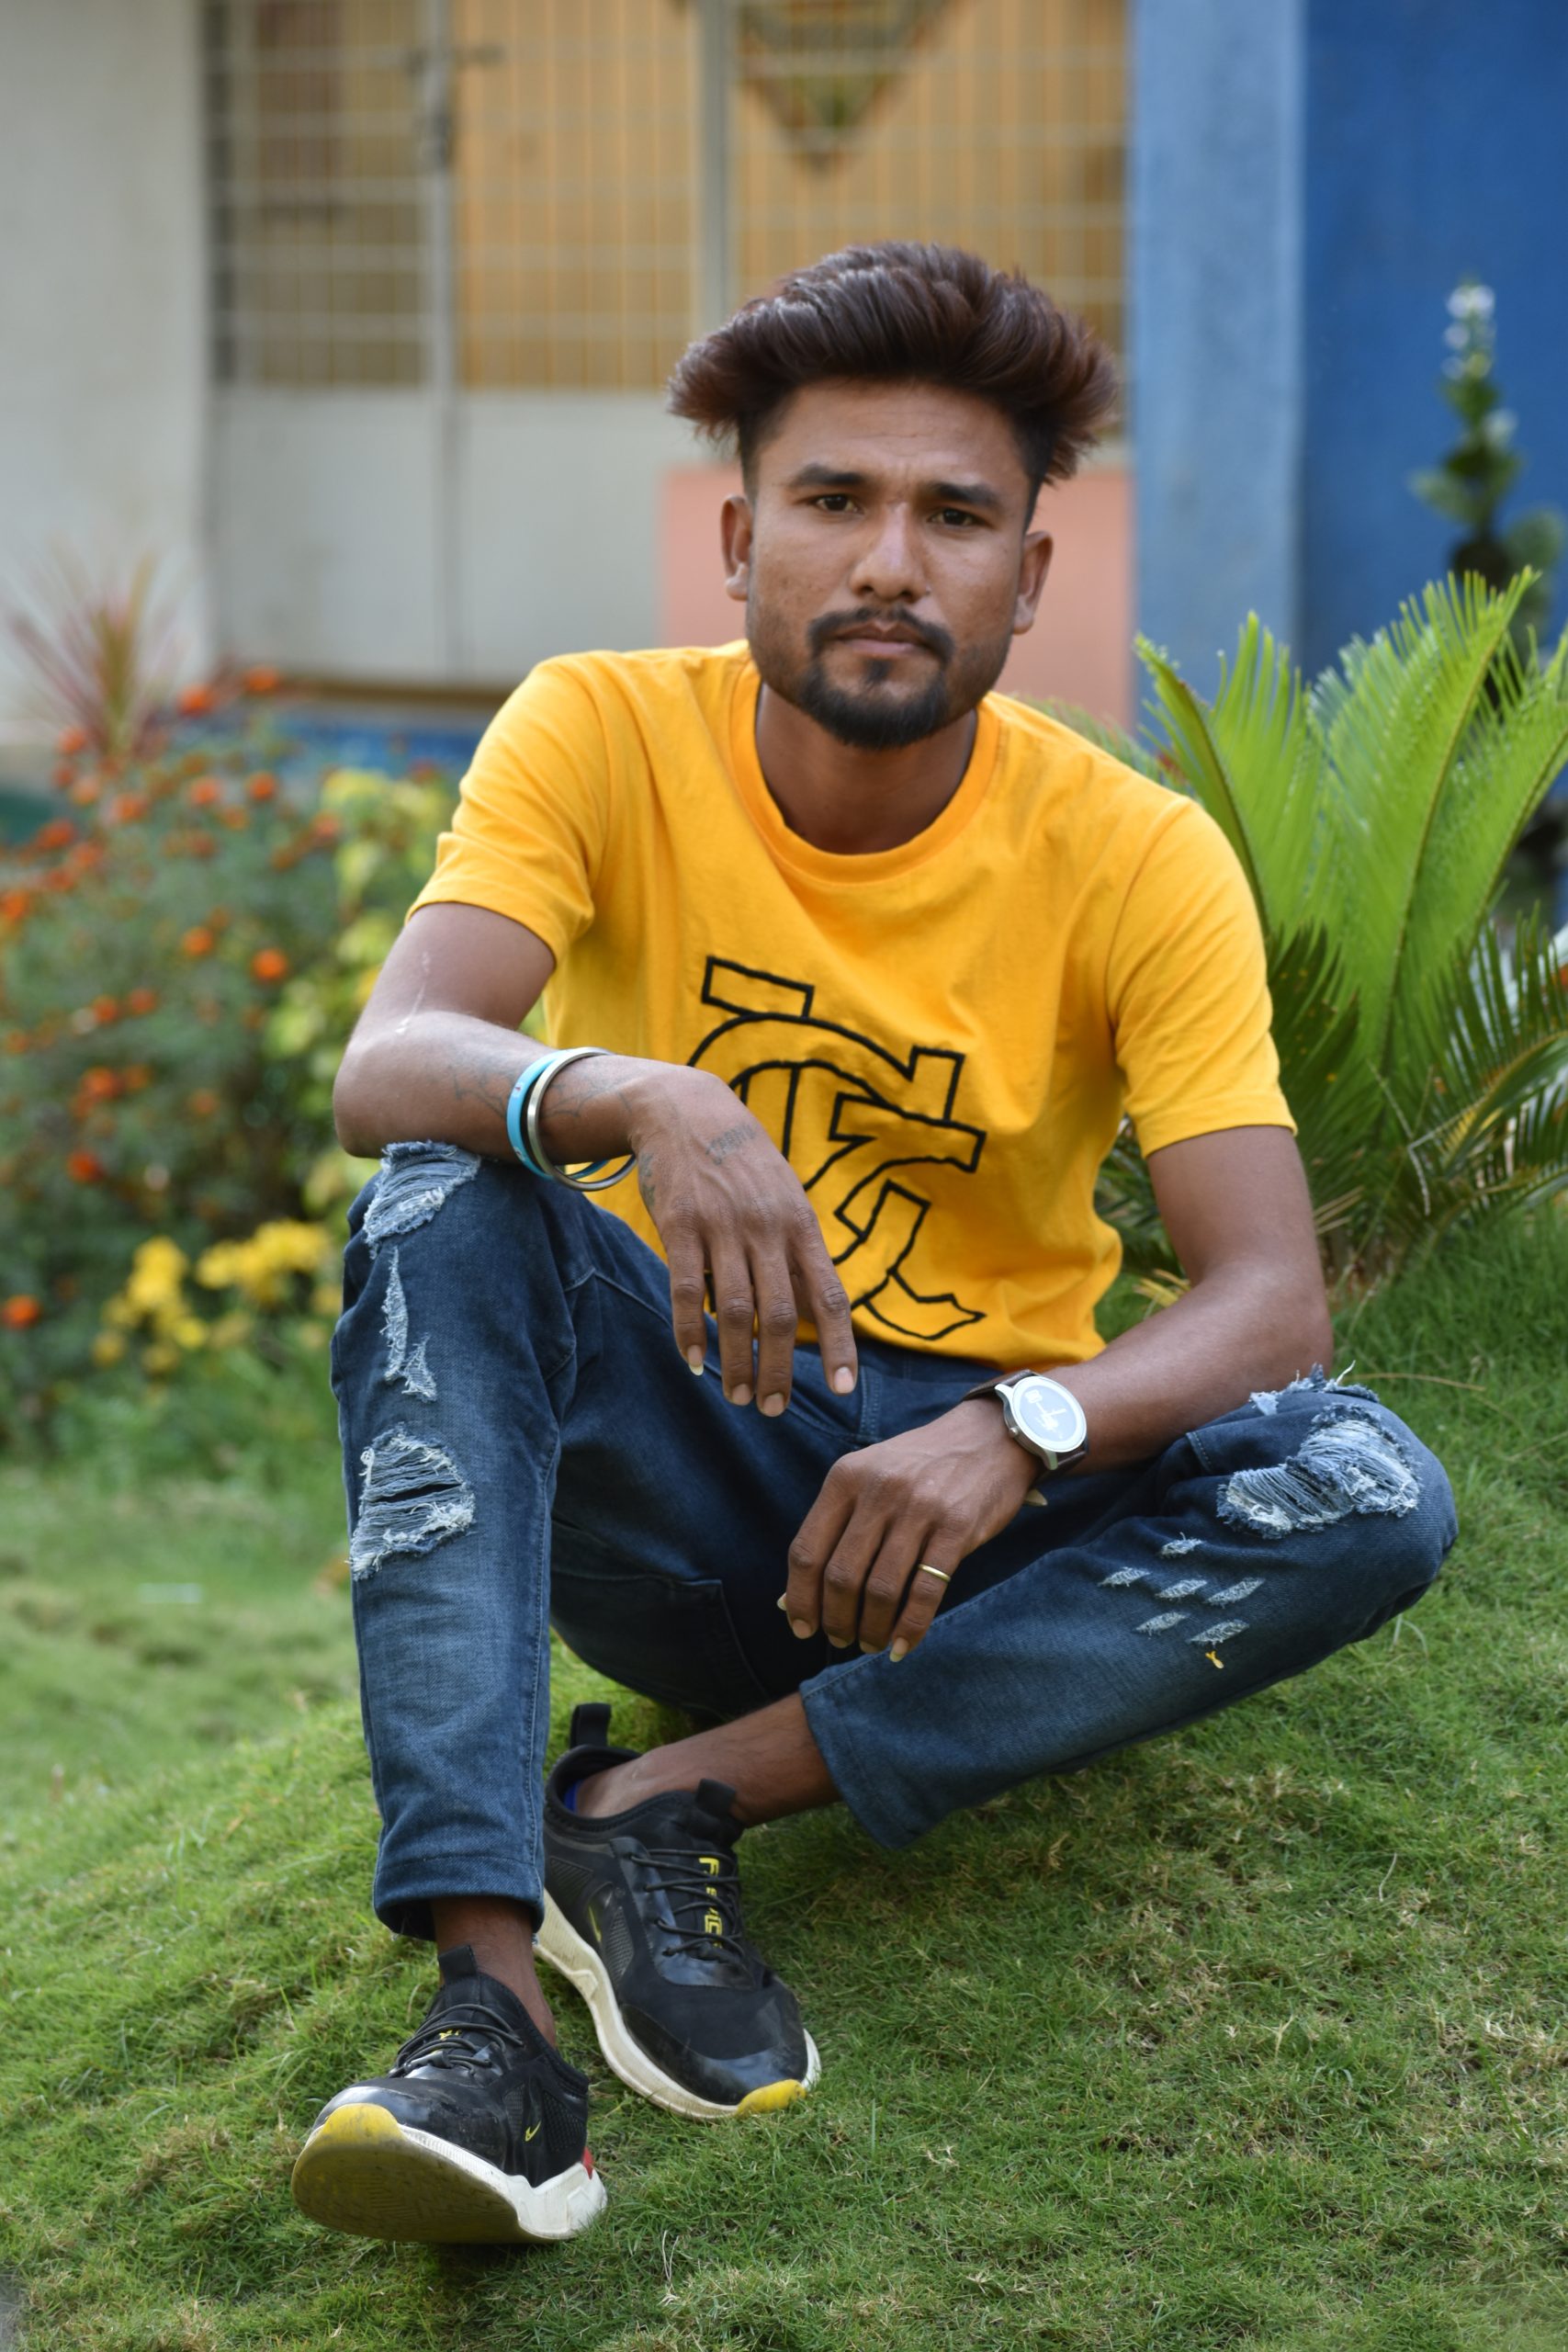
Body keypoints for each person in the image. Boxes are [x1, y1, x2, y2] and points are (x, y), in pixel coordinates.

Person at [288, 242, 1456, 2248]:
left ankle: (664, 1807)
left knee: (1367, 1481)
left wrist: (1022, 1423)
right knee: (442, 1192)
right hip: (691, 1472)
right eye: (832, 501)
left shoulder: (1131, 851)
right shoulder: (596, 730)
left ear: (1031, 568)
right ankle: (485, 2014)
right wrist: (649, 1095)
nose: (887, 560)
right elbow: (393, 1058)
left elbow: (1269, 1294)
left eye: (953, 513)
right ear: (737, 538)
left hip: (967, 1529)